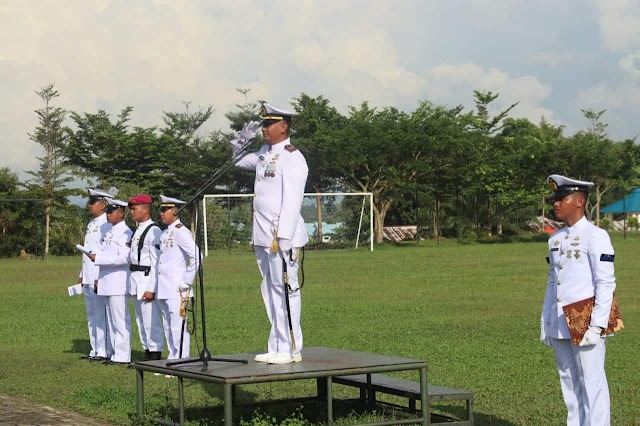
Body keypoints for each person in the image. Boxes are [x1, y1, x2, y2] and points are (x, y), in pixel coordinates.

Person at [232, 103, 309, 364]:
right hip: (264, 235)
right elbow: (236, 161)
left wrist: (285, 237)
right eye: (263, 123)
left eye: (269, 124)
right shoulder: (265, 153)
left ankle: (290, 348)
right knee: (270, 288)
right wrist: (243, 139)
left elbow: (293, 199)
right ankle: (277, 345)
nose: (264, 128)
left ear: (283, 126)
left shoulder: (292, 156)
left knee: (286, 289)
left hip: (281, 236)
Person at [540, 174, 616, 425]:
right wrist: (546, 321)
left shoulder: (596, 236)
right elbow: (554, 281)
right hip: (561, 321)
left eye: (563, 198)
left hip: (585, 319)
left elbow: (605, 283)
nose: (556, 203)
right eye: (555, 199)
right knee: (569, 382)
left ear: (580, 201)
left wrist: (597, 325)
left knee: (591, 383)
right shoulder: (556, 239)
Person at [89, 198, 133, 365]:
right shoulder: (109, 232)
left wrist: (98, 258)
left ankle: (123, 355)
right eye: (107, 212)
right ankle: (115, 353)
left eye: (111, 212)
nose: (108, 215)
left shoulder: (125, 233)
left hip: (118, 281)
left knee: (120, 320)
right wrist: (98, 277)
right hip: (107, 280)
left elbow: (123, 257)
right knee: (112, 320)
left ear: (121, 213)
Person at [156, 195, 199, 360]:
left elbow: (197, 256)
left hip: (177, 288)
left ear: (176, 211)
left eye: (165, 210)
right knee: (168, 325)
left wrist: (187, 281)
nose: (161, 213)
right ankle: (173, 357)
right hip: (165, 287)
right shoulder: (165, 233)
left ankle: (182, 359)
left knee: (178, 325)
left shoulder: (181, 232)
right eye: (161, 209)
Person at [128, 194, 164, 361]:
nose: (131, 212)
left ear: (145, 209)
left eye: (134, 209)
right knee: (140, 319)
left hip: (147, 278)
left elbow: (157, 262)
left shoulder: (153, 230)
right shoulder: (138, 229)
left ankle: (155, 352)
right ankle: (147, 351)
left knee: (151, 319)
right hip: (136, 279)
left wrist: (152, 288)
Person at [77, 188, 112, 361]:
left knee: (101, 314)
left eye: (93, 203)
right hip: (88, 275)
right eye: (89, 203)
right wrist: (82, 273)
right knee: (92, 314)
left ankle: (105, 350)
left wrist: (99, 276)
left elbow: (104, 252)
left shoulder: (106, 224)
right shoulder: (92, 224)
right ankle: (95, 349)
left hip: (99, 275)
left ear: (103, 204)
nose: (90, 206)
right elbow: (87, 252)